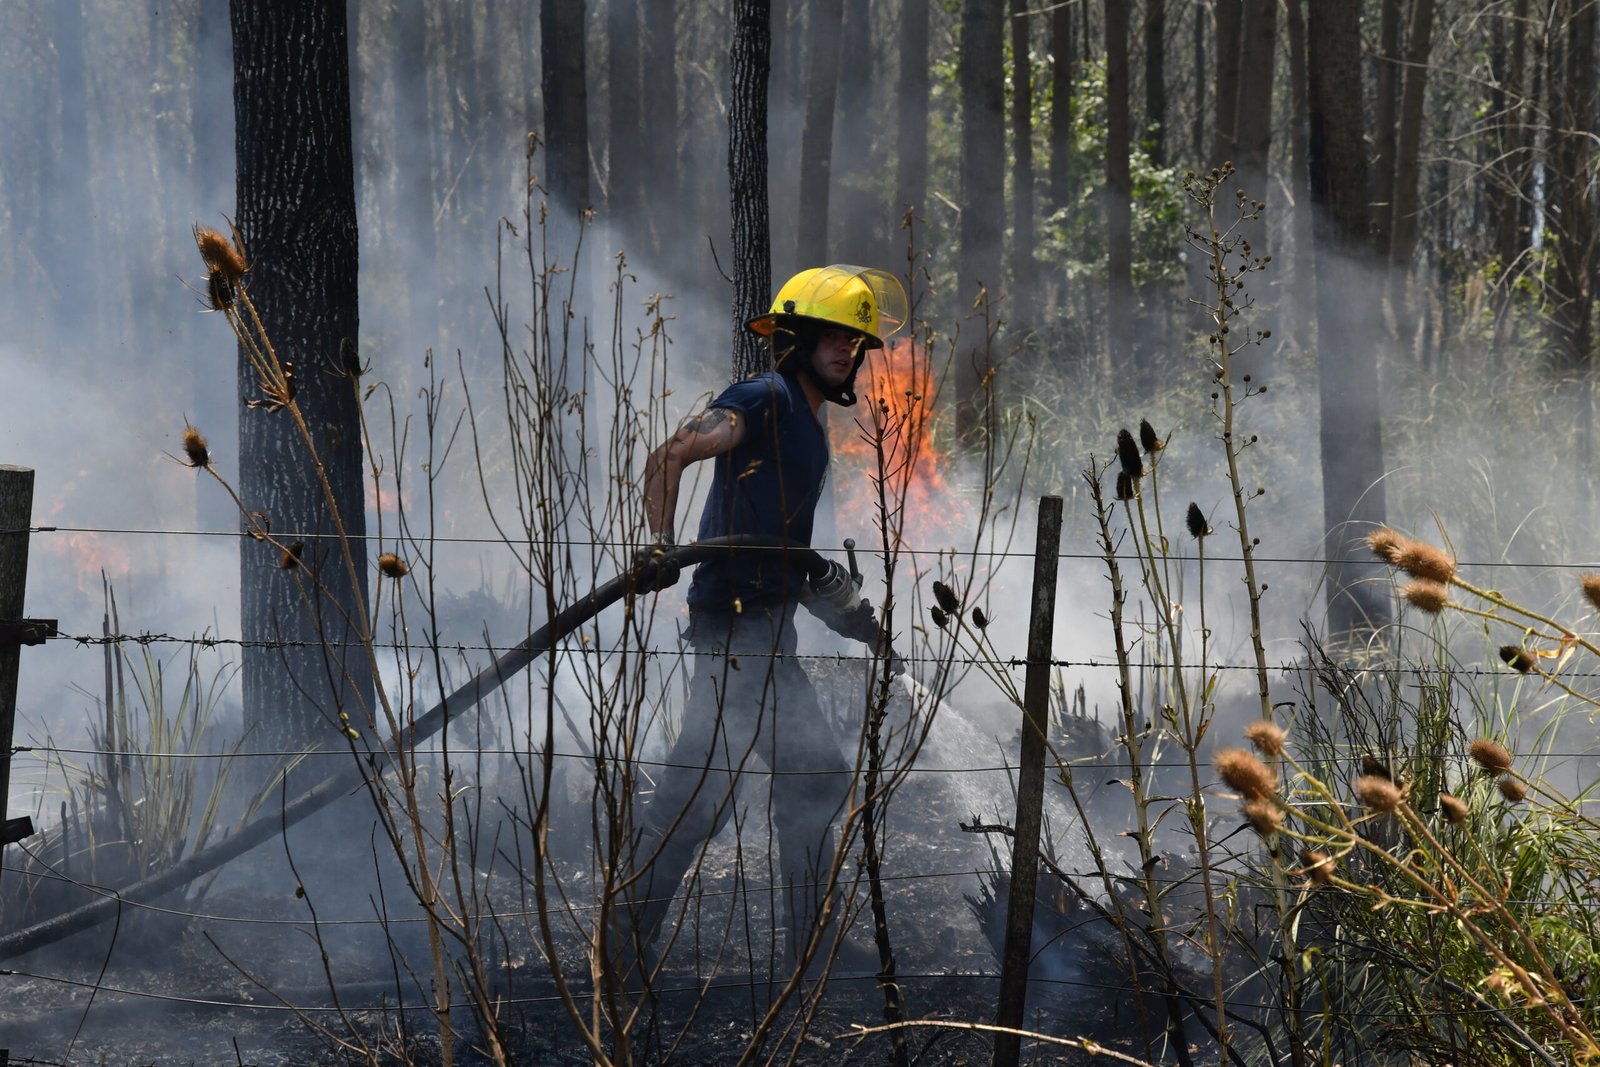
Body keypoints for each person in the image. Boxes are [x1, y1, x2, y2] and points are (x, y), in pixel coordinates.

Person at [628, 264, 907, 977]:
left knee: (809, 778)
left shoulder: (804, 417)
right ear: (798, 336)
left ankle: (810, 953)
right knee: (695, 803)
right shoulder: (766, 398)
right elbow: (672, 453)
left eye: (856, 339)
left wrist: (840, 603)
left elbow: (777, 544)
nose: (847, 349)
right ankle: (620, 951)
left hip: (764, 632)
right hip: (735, 632)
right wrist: (659, 546)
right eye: (833, 334)